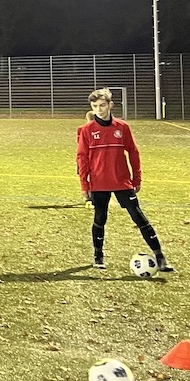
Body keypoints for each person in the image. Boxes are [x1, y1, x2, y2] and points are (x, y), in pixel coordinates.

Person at [77, 88, 171, 272]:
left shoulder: (122, 127)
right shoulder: (86, 130)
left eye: (102, 105)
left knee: (139, 217)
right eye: (95, 106)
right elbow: (82, 158)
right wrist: (84, 184)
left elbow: (134, 153)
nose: (99, 110)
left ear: (110, 105)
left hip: (122, 182)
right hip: (99, 183)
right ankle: (98, 255)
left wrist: (137, 177)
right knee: (100, 218)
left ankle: (160, 256)